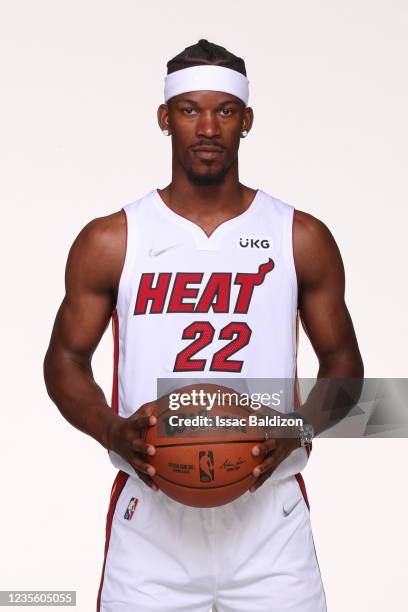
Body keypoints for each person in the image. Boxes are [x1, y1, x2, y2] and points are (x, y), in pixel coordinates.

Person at [43, 39, 364, 611]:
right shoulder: (114, 239)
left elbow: (345, 366)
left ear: (247, 120)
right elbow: (64, 360)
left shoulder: (300, 237)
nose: (208, 127)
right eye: (190, 110)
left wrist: (297, 426)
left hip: (269, 519)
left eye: (225, 110)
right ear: (165, 118)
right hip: (153, 520)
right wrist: (110, 429)